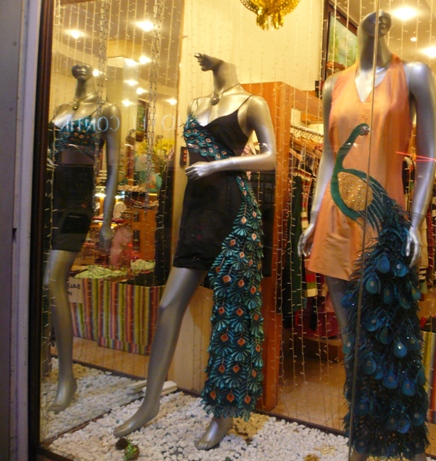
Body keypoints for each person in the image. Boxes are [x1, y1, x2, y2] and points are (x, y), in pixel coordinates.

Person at [114, 53, 276, 450]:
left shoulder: (252, 103)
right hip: (197, 213)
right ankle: (151, 401)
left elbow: (271, 158)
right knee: (169, 305)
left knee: (231, 316)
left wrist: (217, 166)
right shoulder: (194, 105)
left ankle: (223, 416)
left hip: (234, 212)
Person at [298, 10, 436, 461]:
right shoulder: (332, 86)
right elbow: (328, 156)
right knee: (352, 341)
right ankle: (360, 441)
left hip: (385, 224)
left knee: (392, 336)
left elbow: (428, 156)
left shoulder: (413, 75)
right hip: (335, 222)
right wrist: (313, 217)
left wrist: (415, 223)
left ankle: (404, 439)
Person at [44, 63, 120, 413]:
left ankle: (66, 377)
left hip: (77, 199)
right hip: (46, 196)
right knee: (40, 284)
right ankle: (43, 361)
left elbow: (114, 167)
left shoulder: (107, 110)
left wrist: (106, 222)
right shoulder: (59, 109)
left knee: (52, 280)